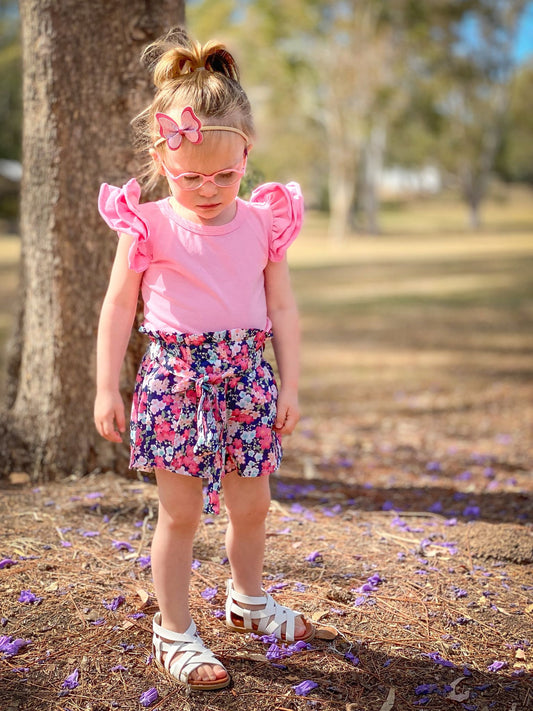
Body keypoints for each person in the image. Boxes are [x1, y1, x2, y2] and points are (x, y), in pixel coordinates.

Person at [94, 27, 315, 691]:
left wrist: (291, 386)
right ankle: (174, 629)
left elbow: (283, 310)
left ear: (247, 152)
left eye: (226, 173)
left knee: (252, 505)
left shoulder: (262, 220)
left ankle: (247, 597)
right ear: (162, 160)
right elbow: (115, 309)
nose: (211, 187)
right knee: (182, 513)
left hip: (247, 378)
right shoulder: (150, 223)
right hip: (174, 379)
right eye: (192, 176)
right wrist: (108, 386)